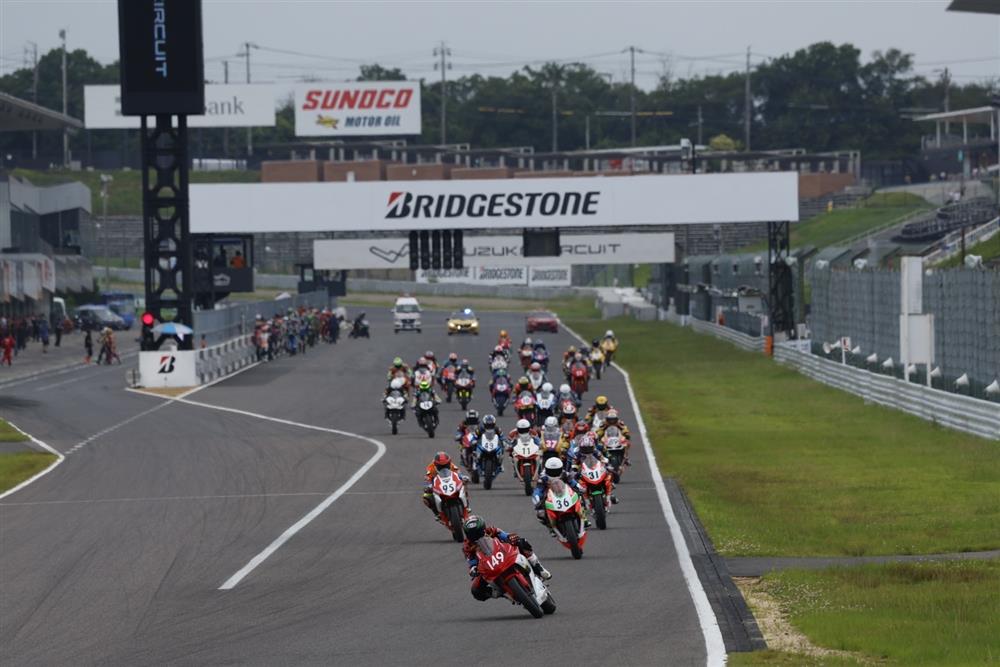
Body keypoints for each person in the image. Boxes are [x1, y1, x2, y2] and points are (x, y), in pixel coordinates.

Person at [463, 515, 551, 602]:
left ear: (483, 528)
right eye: (472, 534)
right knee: (475, 590)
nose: (477, 536)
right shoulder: (467, 546)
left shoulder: (490, 530)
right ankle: (499, 593)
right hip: (487, 566)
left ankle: (538, 567)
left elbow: (503, 535)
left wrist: (509, 537)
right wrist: (473, 568)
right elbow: (470, 559)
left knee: (521, 541)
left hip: (504, 554)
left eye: (478, 532)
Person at [532, 457, 588, 533]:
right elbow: (538, 490)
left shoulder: (564, 474)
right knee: (540, 513)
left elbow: (573, 482)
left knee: (580, 498)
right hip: (550, 496)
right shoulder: (543, 477)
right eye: (552, 471)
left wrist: (580, 488)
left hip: (565, 492)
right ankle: (550, 527)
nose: (554, 472)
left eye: (556, 470)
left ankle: (584, 519)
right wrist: (537, 499)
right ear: (547, 470)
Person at [422, 451, 464, 520]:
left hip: (450, 483)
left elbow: (459, 473)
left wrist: (463, 477)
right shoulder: (431, 468)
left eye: (446, 465)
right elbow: (427, 479)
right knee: (426, 497)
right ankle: (437, 513)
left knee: (463, 486)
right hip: (438, 485)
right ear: (436, 464)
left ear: (449, 463)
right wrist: (428, 486)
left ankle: (466, 506)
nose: (444, 467)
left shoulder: (452, 465)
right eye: (441, 466)